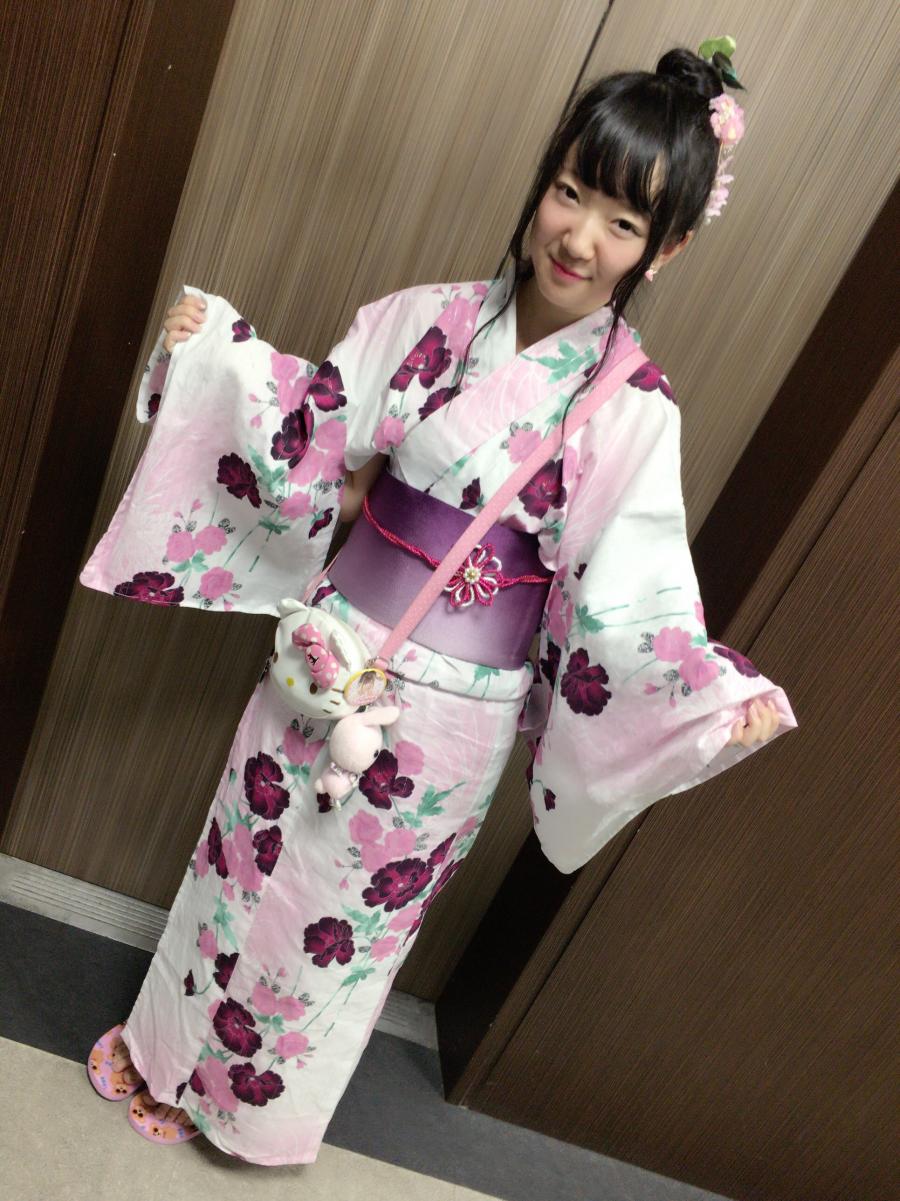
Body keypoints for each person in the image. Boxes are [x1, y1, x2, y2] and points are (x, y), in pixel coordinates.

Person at [83, 42, 795, 1164]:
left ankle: (254, 1111)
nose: (579, 237)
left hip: (454, 714)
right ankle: (169, 1053)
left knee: (344, 921)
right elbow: (318, 438)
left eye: (622, 221)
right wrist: (215, 358)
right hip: (330, 651)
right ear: (544, 177)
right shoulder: (428, 319)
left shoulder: (634, 412)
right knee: (243, 854)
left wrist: (706, 690)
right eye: (571, 191)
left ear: (667, 247)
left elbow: (632, 611)